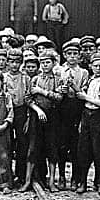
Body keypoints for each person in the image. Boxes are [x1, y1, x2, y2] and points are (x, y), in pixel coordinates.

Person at [75, 53, 100, 195]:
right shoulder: (90, 80)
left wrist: (85, 97)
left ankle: (99, 182)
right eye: (95, 65)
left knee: (99, 151)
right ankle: (83, 181)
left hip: (99, 116)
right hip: (86, 116)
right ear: (90, 66)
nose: (98, 68)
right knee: (84, 150)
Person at [25, 52, 63, 192]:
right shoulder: (35, 79)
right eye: (43, 63)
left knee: (52, 148)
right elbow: (28, 98)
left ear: (53, 63)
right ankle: (28, 181)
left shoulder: (58, 80)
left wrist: (42, 91)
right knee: (33, 148)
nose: (45, 65)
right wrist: (37, 110)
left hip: (53, 116)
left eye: (48, 62)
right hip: (37, 115)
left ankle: (52, 182)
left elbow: (59, 98)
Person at [58, 40, 88, 191]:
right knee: (62, 144)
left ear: (79, 55)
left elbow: (83, 91)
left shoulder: (83, 72)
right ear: (64, 55)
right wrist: (61, 90)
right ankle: (62, 175)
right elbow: (56, 88)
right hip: (62, 109)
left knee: (76, 146)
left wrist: (75, 89)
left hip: (77, 108)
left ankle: (75, 177)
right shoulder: (59, 71)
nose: (72, 57)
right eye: (69, 54)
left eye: (75, 54)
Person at [3, 48, 31, 185]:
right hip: (7, 112)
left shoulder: (25, 78)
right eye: (12, 62)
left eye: (17, 62)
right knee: (6, 144)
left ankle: (21, 175)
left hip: (21, 112)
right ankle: (6, 176)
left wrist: (27, 117)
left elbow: (29, 98)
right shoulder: (3, 77)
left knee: (22, 143)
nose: (14, 65)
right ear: (7, 62)